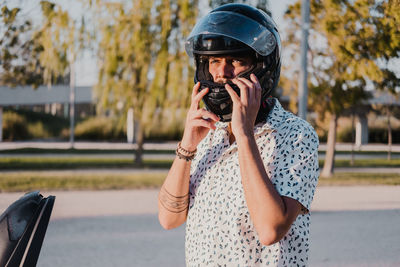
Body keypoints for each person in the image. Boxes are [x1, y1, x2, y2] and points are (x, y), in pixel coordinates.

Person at [158, 3, 319, 266]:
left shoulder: (296, 135)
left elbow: (270, 230)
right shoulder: (209, 134)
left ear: (261, 67)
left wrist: (245, 136)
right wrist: (187, 146)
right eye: (214, 61)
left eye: (235, 60)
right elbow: (168, 219)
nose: (221, 73)